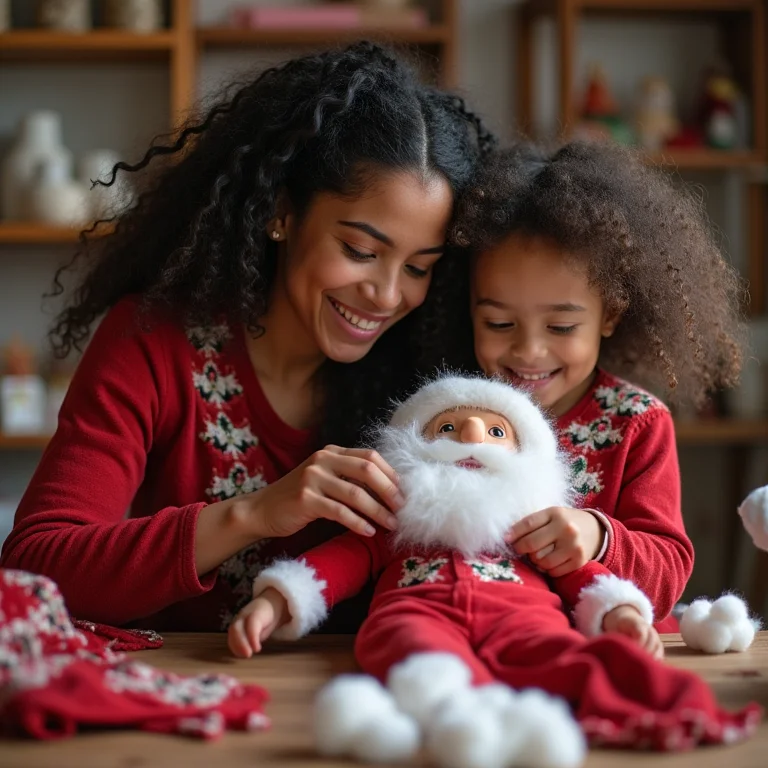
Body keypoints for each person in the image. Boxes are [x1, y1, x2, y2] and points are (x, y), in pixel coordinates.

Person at [0, 42, 494, 631]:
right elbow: (35, 570)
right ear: (280, 213)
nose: (388, 296)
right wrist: (255, 512)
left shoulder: (435, 377)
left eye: (418, 267)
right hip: (184, 694)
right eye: (360, 251)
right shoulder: (153, 341)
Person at [228, 375, 758, 761]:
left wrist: (619, 611)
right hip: (417, 612)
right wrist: (276, 600)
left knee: (572, 656)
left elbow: (579, 576)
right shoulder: (394, 523)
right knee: (409, 645)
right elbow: (335, 563)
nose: (473, 438)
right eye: (451, 427)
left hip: (525, 619)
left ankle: (639, 706)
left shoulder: (530, 524)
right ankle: (460, 710)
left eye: (495, 432)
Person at [453, 141, 745, 630]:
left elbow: (669, 568)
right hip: (491, 640)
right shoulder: (455, 412)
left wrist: (597, 535)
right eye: (499, 324)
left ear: (609, 314)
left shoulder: (636, 422)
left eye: (561, 328)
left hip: (607, 647)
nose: (529, 352)